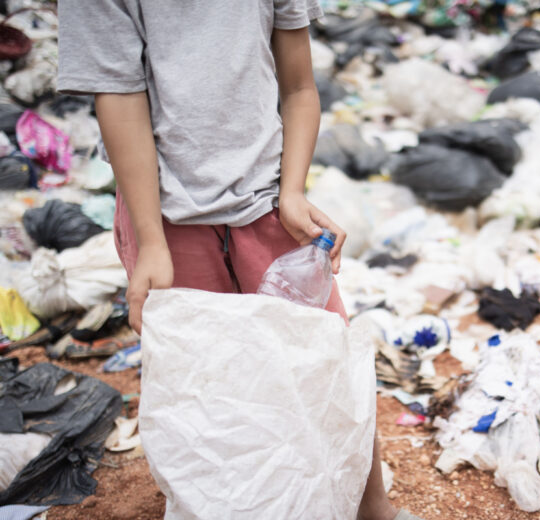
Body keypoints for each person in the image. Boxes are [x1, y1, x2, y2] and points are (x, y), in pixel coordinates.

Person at [57, 2, 422, 519]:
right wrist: (151, 240)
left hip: (271, 203)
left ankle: (373, 510)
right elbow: (118, 97)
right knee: (206, 387)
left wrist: (291, 191)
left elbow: (298, 88)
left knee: (324, 363)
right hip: (164, 218)